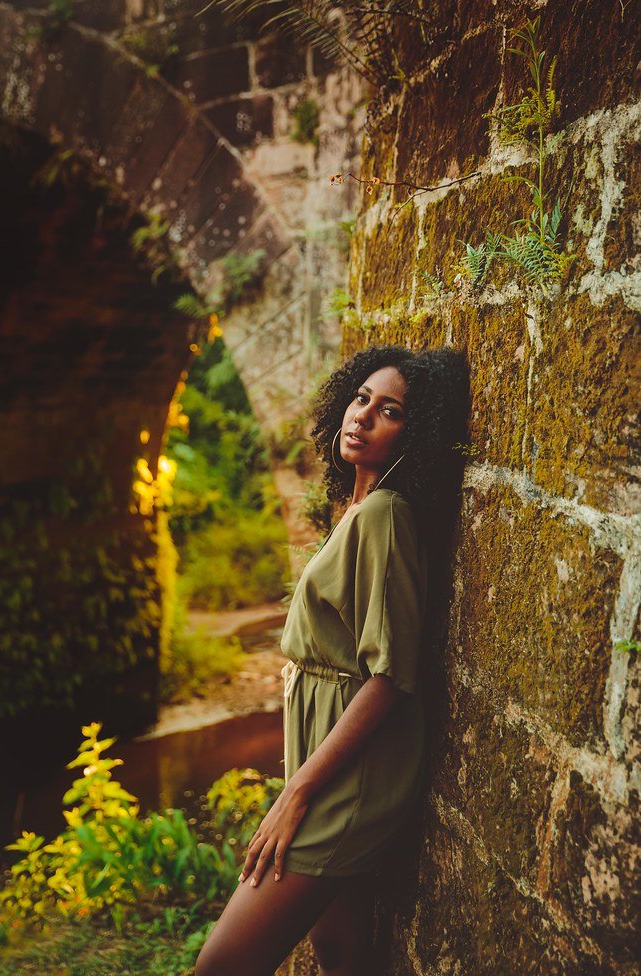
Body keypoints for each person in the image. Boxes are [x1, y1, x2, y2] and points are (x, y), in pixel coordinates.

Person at [195, 344, 464, 976]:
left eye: (389, 410)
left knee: (220, 965)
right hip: (327, 755)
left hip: (352, 780)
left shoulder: (384, 517)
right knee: (339, 950)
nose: (363, 416)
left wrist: (297, 792)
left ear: (414, 434)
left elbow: (390, 676)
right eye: (361, 397)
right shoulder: (354, 508)